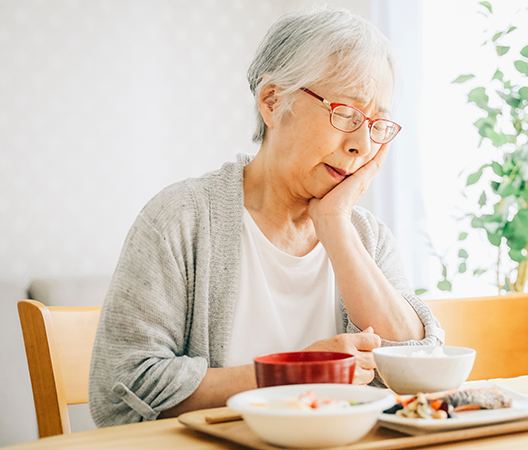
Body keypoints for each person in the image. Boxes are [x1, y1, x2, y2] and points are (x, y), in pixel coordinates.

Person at [88, 6, 444, 427]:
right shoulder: (181, 220)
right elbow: (122, 390)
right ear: (273, 102)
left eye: (377, 123)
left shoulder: (366, 236)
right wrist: (295, 372)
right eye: (346, 114)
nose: (361, 145)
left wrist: (334, 224)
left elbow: (419, 368)